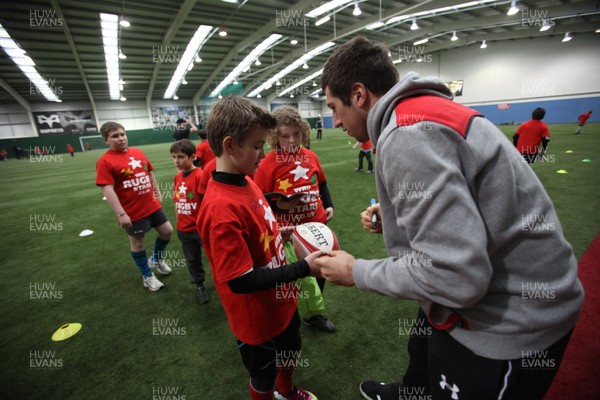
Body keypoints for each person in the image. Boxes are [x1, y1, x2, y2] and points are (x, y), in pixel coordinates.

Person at [315, 36, 584, 400]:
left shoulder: (406, 134)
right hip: (506, 300)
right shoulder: (420, 111)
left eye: (334, 106)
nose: (334, 121)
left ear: (359, 94)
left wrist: (355, 272)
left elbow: (457, 276)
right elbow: (470, 201)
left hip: (512, 323)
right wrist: (399, 215)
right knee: (422, 353)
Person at [197, 96, 320, 400]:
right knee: (262, 375)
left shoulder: (245, 180)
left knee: (292, 348)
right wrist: (304, 268)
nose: (263, 153)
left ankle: (287, 392)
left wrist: (285, 231)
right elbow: (240, 281)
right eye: (256, 146)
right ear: (229, 145)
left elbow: (259, 230)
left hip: (282, 300)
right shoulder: (219, 209)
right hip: (257, 319)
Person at [254, 105, 336, 333]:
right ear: (275, 137)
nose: (292, 140)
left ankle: (313, 315)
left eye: (296, 134)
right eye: (285, 135)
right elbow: (258, 201)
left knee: (322, 269)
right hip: (290, 233)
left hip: (317, 226)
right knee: (298, 276)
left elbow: (321, 183)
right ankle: (294, 315)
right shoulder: (268, 164)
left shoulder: (310, 156)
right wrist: (277, 203)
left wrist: (329, 205)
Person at [96, 121, 173, 291]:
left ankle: (156, 259)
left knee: (167, 231)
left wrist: (157, 191)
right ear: (106, 140)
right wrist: (121, 214)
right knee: (138, 243)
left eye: (122, 134)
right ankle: (147, 276)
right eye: (115, 136)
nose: (121, 138)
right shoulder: (105, 161)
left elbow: (149, 172)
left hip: (151, 205)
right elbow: (107, 189)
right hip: (132, 211)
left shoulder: (137, 152)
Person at [170, 139, 210, 304]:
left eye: (180, 157)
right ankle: (200, 286)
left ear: (192, 157)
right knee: (192, 259)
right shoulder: (177, 177)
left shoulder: (200, 176)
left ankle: (226, 285)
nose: (176, 161)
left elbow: (208, 203)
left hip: (200, 228)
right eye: (173, 157)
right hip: (184, 229)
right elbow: (176, 201)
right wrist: (179, 221)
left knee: (214, 257)